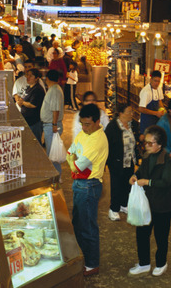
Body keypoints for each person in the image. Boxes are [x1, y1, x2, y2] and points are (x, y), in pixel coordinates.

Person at [66, 104, 109, 277]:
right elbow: (70, 151)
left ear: (98, 122)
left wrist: (72, 163)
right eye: (82, 124)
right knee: (78, 223)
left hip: (89, 186)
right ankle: (83, 256)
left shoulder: (97, 140)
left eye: (88, 124)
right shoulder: (85, 133)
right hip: (80, 184)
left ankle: (92, 264)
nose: (84, 128)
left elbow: (76, 164)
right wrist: (73, 161)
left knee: (88, 226)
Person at [128, 125, 171, 277]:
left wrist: (147, 182)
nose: (147, 146)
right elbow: (141, 171)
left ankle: (161, 263)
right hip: (147, 202)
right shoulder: (147, 156)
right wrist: (135, 176)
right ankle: (144, 263)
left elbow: (166, 182)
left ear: (160, 144)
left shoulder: (167, 160)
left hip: (162, 205)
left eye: (150, 143)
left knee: (161, 236)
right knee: (142, 233)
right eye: (146, 142)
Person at [104, 104, 140, 221]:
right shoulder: (112, 127)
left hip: (130, 160)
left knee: (127, 184)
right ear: (120, 113)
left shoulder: (132, 124)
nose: (131, 114)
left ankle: (124, 205)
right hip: (117, 162)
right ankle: (113, 209)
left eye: (132, 112)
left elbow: (137, 138)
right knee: (116, 185)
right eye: (129, 112)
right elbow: (106, 145)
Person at [13, 66, 46, 145]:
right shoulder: (29, 87)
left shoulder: (37, 89)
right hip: (27, 120)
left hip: (34, 121)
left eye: (31, 76)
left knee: (36, 143)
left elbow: (33, 105)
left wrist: (23, 102)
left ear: (36, 78)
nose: (28, 77)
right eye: (27, 75)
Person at [41, 69, 65, 175]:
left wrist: (54, 125)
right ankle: (55, 175)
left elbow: (55, 109)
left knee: (52, 153)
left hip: (52, 125)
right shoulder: (54, 89)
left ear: (47, 79)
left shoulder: (54, 90)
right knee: (51, 152)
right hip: (50, 125)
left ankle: (56, 175)